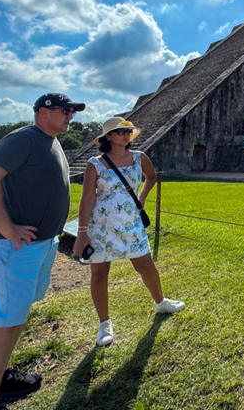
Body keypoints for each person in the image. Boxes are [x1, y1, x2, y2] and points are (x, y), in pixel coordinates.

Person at [0, 92, 85, 410]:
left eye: (72, 112)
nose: (70, 116)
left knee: (16, 316)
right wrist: (6, 226)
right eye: (65, 110)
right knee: (6, 320)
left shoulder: (50, 141)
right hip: (17, 247)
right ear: (43, 112)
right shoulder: (25, 138)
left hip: (39, 245)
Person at [73, 117, 185, 347]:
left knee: (146, 266)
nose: (125, 135)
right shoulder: (95, 164)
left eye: (128, 131)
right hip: (102, 226)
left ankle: (160, 302)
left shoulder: (139, 158)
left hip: (130, 223)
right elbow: (87, 198)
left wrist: (141, 198)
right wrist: (82, 231)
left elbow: (151, 177)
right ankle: (104, 323)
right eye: (120, 131)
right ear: (108, 137)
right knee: (100, 274)